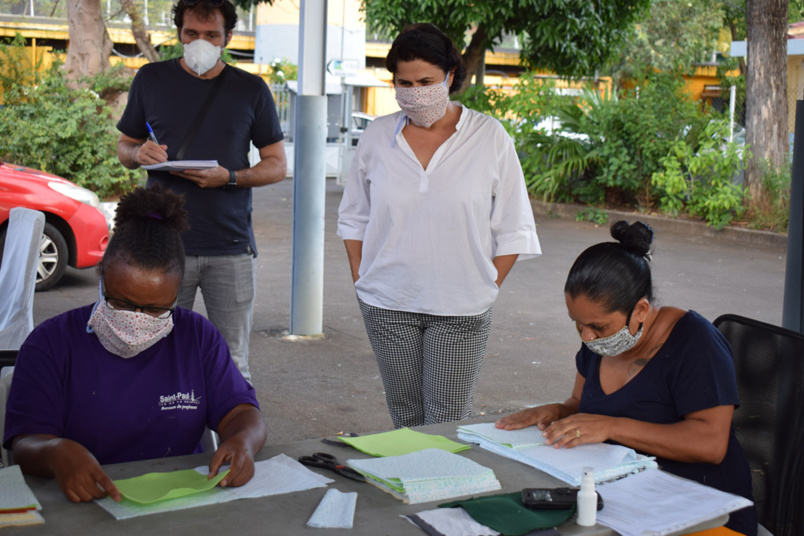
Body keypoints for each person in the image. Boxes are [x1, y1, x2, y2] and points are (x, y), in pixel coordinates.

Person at [3, 186, 267, 504]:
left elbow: (241, 411)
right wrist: (54, 452)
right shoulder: (50, 344)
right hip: (83, 504)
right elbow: (25, 444)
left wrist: (243, 442)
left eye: (156, 309)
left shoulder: (197, 337)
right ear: (101, 278)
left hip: (178, 502)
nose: (137, 319)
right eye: (122, 302)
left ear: (176, 295)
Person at [337, 23, 541, 429]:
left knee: (446, 422)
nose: (415, 92)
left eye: (426, 81)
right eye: (404, 82)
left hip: (461, 307)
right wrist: (363, 279)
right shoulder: (378, 136)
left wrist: (484, 285)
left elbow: (514, 224)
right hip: (386, 303)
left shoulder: (489, 137)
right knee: (406, 419)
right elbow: (354, 216)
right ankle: (413, 491)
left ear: (450, 75)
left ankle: (442, 494)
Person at [495, 220, 757, 535]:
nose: (588, 336)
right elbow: (582, 403)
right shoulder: (597, 339)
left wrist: (612, 427)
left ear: (642, 310)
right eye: (578, 324)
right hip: (623, 500)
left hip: (704, 515)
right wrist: (558, 410)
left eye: (599, 327)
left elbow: (710, 444)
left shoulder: (696, 343)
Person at [116, 0, 287, 383]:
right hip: (161, 244)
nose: (200, 42)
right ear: (179, 33)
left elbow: (277, 164)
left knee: (231, 362)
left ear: (228, 37)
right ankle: (161, 440)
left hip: (230, 246)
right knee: (154, 356)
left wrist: (229, 177)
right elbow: (125, 148)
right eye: (191, 33)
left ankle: (235, 439)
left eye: (211, 35)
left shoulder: (251, 89)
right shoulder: (150, 79)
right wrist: (137, 152)